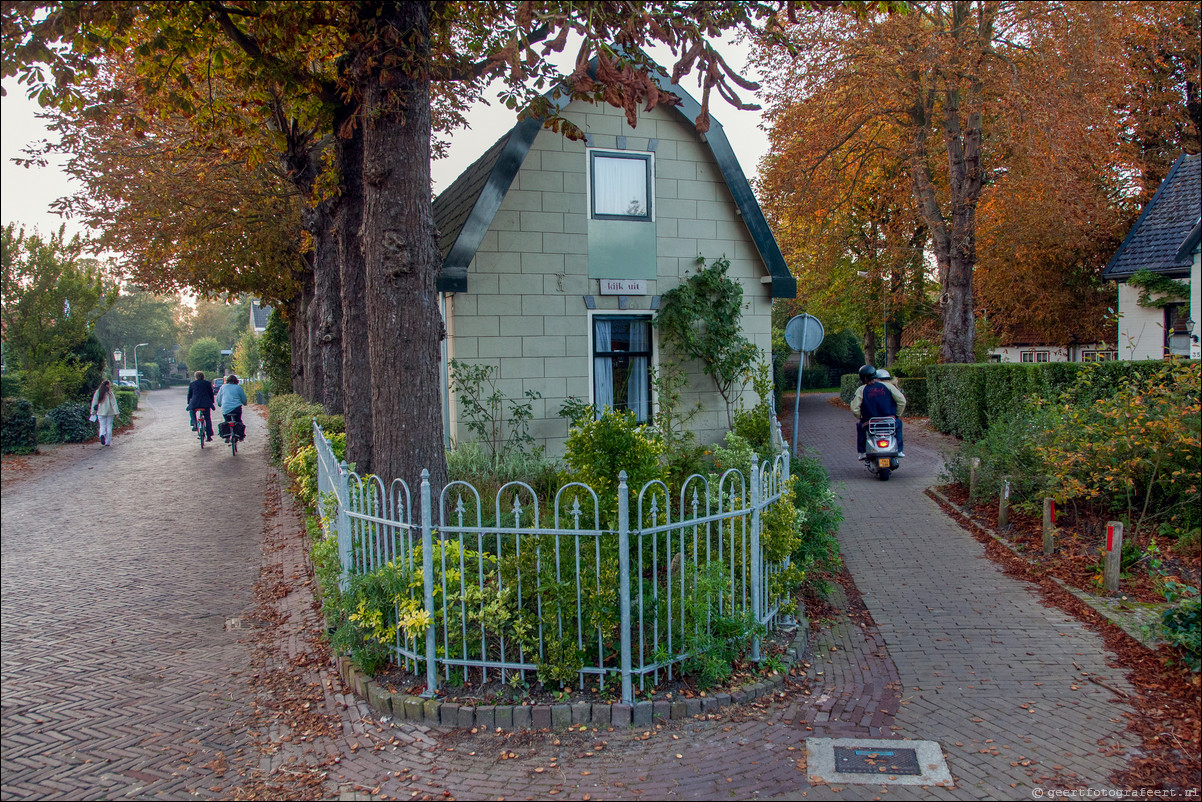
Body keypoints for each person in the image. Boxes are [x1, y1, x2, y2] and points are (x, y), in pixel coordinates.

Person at [849, 364, 906, 459]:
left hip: (870, 423)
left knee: (860, 426)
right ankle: (899, 450)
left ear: (863, 378)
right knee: (899, 424)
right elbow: (902, 401)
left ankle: (862, 452)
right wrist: (897, 415)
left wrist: (861, 417)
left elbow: (854, 408)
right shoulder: (888, 386)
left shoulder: (861, 389)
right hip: (889, 422)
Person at [216, 373, 248, 439]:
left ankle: (227, 436)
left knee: (227, 421)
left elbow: (219, 399)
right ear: (236, 381)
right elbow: (243, 398)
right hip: (236, 408)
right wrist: (244, 403)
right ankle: (240, 436)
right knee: (238, 421)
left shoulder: (223, 387)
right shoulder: (239, 388)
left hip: (226, 408)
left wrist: (220, 404)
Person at [187, 370, 216, 441]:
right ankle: (209, 436)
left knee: (192, 412)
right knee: (207, 419)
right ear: (203, 376)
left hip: (195, 403)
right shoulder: (207, 383)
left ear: (195, 377)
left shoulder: (192, 384)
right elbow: (211, 394)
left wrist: (189, 402)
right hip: (206, 403)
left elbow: (189, 395)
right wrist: (212, 402)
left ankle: (194, 423)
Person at [90, 379, 120, 446]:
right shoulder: (110, 393)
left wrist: (93, 412)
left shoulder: (98, 392)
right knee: (109, 426)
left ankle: (102, 435)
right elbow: (114, 403)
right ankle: (108, 442)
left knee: (102, 425)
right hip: (110, 412)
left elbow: (94, 402)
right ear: (107, 385)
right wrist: (116, 413)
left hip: (100, 412)